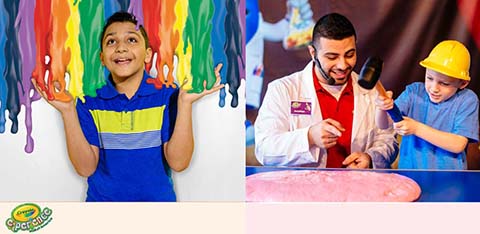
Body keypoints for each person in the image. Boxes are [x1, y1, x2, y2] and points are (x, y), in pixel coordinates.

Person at [31, 12, 224, 201]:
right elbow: (85, 168)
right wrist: (67, 111)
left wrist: (184, 103)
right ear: (102, 58)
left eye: (131, 40)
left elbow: (179, 163)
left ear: (148, 54)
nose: (121, 48)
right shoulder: (88, 101)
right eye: (111, 41)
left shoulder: (167, 95)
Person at [254, 13, 398, 168]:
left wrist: (370, 158)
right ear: (313, 53)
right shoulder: (283, 90)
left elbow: (387, 138)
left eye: (349, 55)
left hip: (357, 188)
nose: (342, 65)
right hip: (302, 189)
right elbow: (265, 150)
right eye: (332, 57)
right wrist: (309, 137)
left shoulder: (371, 90)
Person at [375, 40, 479, 169]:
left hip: (449, 180)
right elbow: (383, 124)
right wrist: (382, 108)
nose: (434, 88)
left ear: (462, 83)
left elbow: (458, 144)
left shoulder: (467, 100)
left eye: (444, 83)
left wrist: (417, 128)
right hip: (410, 175)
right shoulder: (414, 92)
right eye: (429, 78)